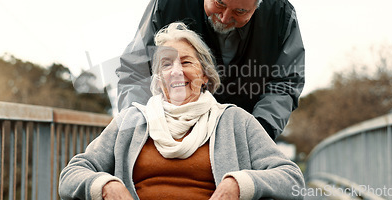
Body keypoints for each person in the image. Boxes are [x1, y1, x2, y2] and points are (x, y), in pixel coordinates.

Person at [59, 22, 304, 200]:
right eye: (166, 64)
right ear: (158, 79)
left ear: (205, 74)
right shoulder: (132, 121)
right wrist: (104, 185)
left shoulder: (234, 120)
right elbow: (71, 175)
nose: (176, 71)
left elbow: (291, 178)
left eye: (186, 62)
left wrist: (239, 184)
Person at [116, 0, 305, 140]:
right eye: (219, 2)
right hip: (171, 133)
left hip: (243, 136)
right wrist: (138, 127)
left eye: (239, 11)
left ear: (257, 5)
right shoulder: (166, 4)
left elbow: (285, 83)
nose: (224, 18)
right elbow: (135, 71)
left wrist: (259, 132)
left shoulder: (282, 16)